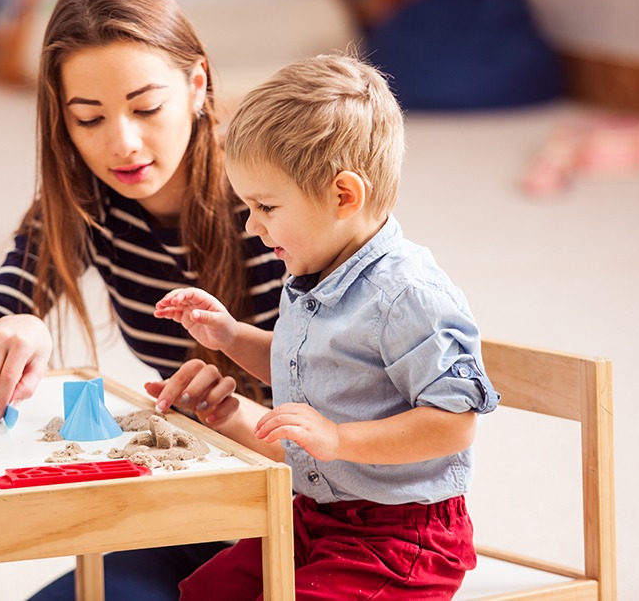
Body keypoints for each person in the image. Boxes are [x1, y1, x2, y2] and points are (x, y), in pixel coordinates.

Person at [0, 0, 287, 600]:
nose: (122, 144)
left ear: (197, 84)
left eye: (146, 107)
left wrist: (235, 416)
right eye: (89, 118)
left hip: (317, 525)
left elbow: (353, 427)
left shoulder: (274, 198)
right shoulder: (89, 200)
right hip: (191, 509)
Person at [154, 53, 501, 599]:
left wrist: (337, 438)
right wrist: (229, 336)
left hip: (403, 536)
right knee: (207, 590)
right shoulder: (317, 271)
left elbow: (455, 423)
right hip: (318, 515)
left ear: (344, 196)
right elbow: (307, 364)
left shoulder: (407, 295)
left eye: (266, 205)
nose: (252, 224)